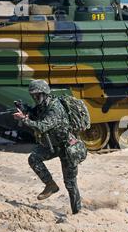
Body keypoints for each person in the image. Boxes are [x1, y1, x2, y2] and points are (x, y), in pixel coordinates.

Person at [13, 80, 87, 215]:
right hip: (53, 145)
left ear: (45, 94)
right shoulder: (43, 105)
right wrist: (25, 109)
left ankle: (77, 212)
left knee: (70, 183)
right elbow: (35, 113)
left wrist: (24, 119)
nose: (35, 98)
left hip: (67, 148)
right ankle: (51, 185)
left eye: (37, 95)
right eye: (33, 96)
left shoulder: (55, 108)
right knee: (34, 158)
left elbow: (42, 126)